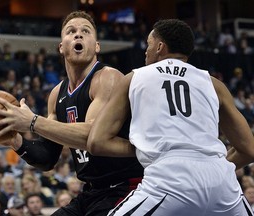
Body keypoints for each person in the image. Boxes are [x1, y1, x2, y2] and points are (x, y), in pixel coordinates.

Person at [87, 19, 254, 215]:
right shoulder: (213, 83)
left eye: (148, 44)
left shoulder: (135, 77)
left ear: (159, 47)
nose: (145, 51)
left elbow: (96, 142)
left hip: (169, 177)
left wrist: (144, 147)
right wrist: (209, 172)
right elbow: (249, 149)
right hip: (221, 181)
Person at [0, 10, 144, 215]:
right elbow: (47, 158)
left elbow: (93, 137)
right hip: (92, 192)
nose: (78, 34)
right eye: (71, 31)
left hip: (126, 187)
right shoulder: (55, 94)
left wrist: (33, 121)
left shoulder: (108, 78)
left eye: (85, 31)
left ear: (97, 46)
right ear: (61, 47)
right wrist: (14, 141)